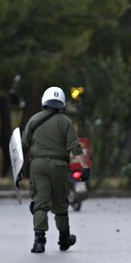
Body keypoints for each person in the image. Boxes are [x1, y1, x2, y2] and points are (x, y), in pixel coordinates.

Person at [21, 86, 90, 253]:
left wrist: (19, 171)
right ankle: (64, 239)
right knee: (60, 204)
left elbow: (22, 146)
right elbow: (75, 147)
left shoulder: (33, 120)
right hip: (59, 166)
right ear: (62, 103)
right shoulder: (65, 122)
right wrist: (85, 167)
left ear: (44, 101)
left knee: (40, 203)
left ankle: (39, 242)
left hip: (37, 166)